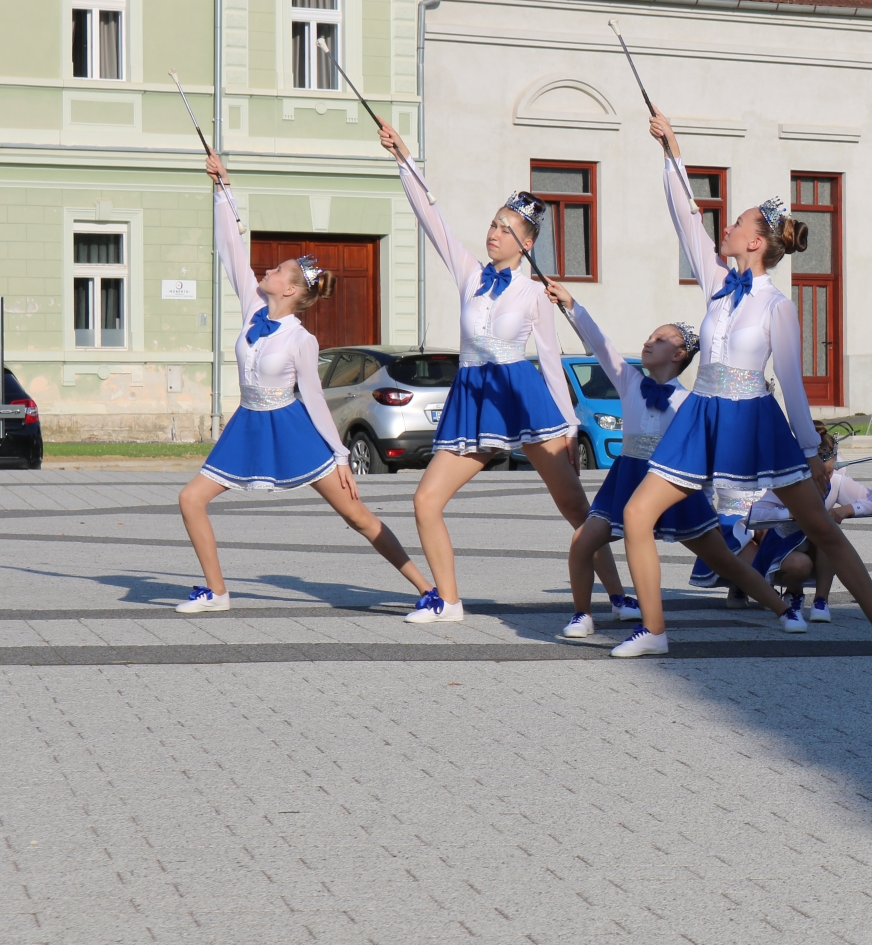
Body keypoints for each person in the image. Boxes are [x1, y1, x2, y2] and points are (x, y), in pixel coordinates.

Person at [619, 114, 872, 656]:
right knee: (637, 514)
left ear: (754, 242)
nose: (725, 229)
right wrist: (672, 155)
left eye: (735, 224)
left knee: (821, 527)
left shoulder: (777, 305)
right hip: (703, 415)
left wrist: (813, 451)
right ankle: (654, 633)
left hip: (756, 421)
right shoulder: (717, 284)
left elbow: (794, 386)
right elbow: (686, 219)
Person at [378, 123, 626, 624]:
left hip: (524, 397)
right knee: (426, 499)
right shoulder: (469, 273)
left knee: (577, 509)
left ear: (528, 241)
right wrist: (404, 159)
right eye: (494, 223)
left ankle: (620, 598)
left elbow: (552, 363)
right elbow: (433, 219)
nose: (494, 233)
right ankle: (448, 601)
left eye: (507, 228)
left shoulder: (535, 294)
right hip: (474, 397)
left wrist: (572, 429)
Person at [175, 152, 430, 612]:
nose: (266, 271)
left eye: (277, 271)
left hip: (292, 427)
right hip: (248, 424)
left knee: (355, 515)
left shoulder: (301, 339)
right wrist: (221, 187)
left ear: (291, 290)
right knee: (191, 498)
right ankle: (216, 592)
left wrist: (340, 459)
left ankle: (425, 588)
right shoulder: (253, 309)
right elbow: (231, 247)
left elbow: (314, 400)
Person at [543, 283, 805, 641]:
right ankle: (582, 614)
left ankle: (783, 609)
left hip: (674, 487)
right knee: (582, 541)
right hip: (626, 479)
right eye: (649, 337)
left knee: (723, 560)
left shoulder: (692, 401)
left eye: (660, 339)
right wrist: (571, 306)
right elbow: (600, 343)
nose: (648, 342)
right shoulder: (628, 380)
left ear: (680, 354)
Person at [744, 426, 872, 622]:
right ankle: (793, 593)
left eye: (829, 472)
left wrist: (847, 509)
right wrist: (791, 513)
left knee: (829, 532)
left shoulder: (837, 482)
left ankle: (821, 601)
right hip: (783, 548)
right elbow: (754, 515)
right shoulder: (789, 483)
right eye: (819, 474)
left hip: (816, 546)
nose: (825, 479)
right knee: (800, 565)